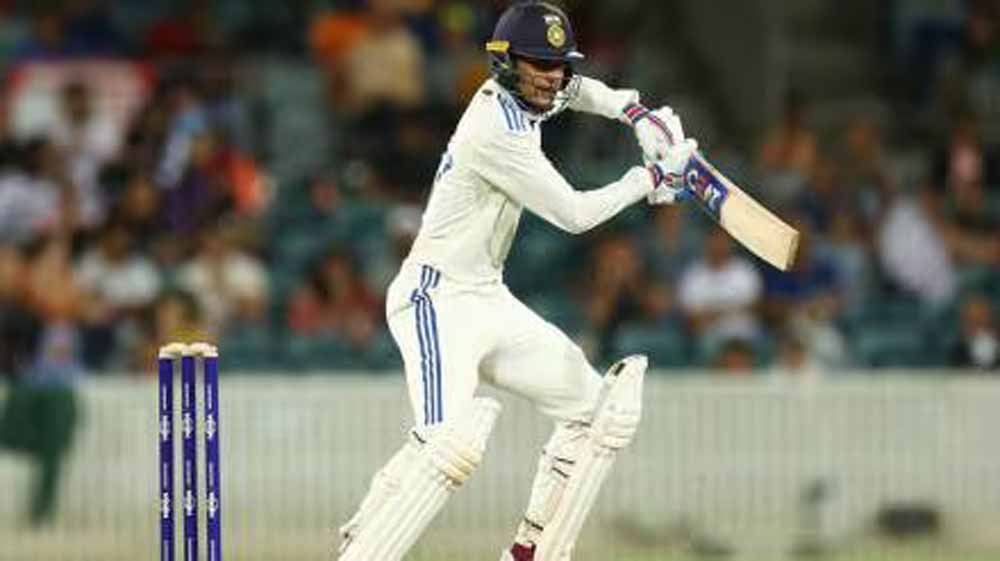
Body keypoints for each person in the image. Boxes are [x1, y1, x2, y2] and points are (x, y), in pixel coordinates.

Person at [334, 3, 698, 561]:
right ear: (506, 63)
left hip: (487, 297)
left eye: (559, 63)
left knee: (597, 412)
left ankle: (529, 552)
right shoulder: (495, 129)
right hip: (435, 299)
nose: (553, 76)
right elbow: (574, 215)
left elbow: (579, 90)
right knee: (445, 446)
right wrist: (649, 178)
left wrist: (634, 112)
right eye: (541, 64)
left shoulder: (531, 94)